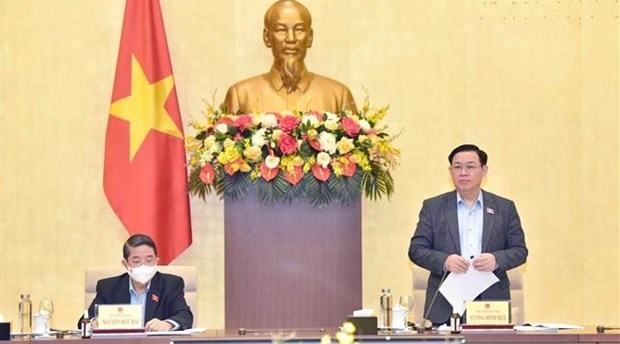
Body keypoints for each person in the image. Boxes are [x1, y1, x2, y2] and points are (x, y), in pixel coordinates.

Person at [408, 144, 528, 327]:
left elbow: (520, 250)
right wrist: (445, 260)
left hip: (490, 303)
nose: (463, 173)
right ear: (450, 171)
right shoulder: (433, 207)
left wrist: (496, 259)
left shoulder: (504, 207)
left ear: (483, 170)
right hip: (445, 302)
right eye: (457, 167)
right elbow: (416, 250)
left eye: (470, 167)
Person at [223, 0, 357, 114]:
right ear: (267, 37)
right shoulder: (241, 95)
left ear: (309, 37)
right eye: (281, 30)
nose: (291, 39)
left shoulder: (338, 95)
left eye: (299, 30)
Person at [78, 234, 193, 331]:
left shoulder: (171, 284)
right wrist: (94, 322)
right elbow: (85, 319)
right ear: (125, 264)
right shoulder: (108, 287)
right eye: (136, 261)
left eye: (149, 260)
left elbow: (185, 316)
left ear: (156, 261)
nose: (144, 266)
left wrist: (168, 324)